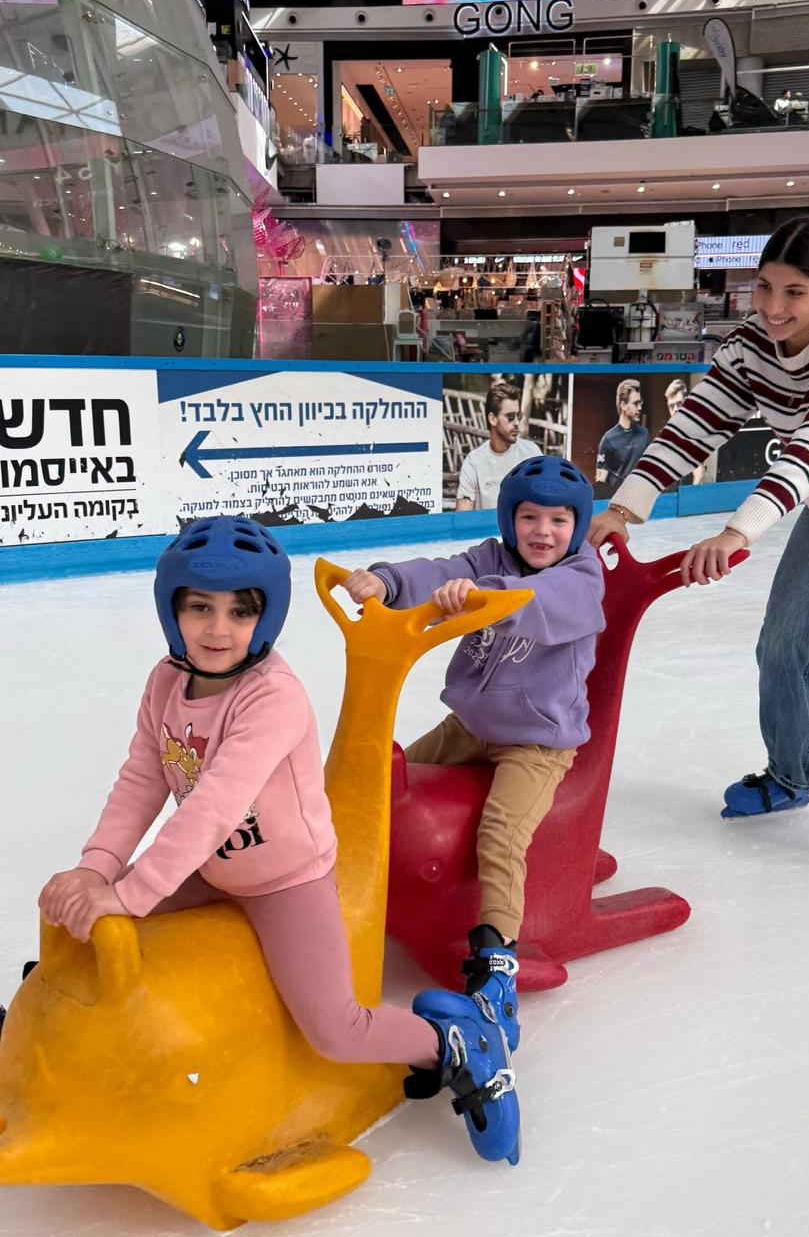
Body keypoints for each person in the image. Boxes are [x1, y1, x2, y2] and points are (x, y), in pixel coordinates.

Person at [37, 516, 520, 1165]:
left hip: (285, 879)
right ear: (170, 608)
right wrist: (98, 869)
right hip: (208, 866)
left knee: (337, 1029)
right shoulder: (165, 682)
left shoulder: (273, 697)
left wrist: (132, 891)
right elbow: (142, 778)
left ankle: (461, 1044)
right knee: (82, 922)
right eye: (199, 607)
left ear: (266, 618)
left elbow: (214, 806)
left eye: (241, 611)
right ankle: (52, 1040)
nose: (217, 628)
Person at [587, 216, 809, 818]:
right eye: (764, 287)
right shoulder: (750, 345)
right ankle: (791, 773)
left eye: (794, 292)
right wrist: (624, 507)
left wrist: (737, 531)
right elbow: (695, 424)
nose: (773, 308)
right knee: (782, 645)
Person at [343, 455, 604, 1061]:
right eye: (529, 517)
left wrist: (485, 595)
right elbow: (442, 571)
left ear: (577, 526)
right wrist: (387, 583)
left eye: (559, 520)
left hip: (537, 742)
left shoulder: (582, 576)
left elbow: (541, 600)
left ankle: (496, 970)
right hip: (470, 726)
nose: (543, 532)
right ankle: (344, 888)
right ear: (509, 520)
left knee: (500, 834)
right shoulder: (490, 558)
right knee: (384, 786)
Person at [455, 380, 541, 511]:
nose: (517, 423)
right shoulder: (474, 462)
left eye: (518, 416)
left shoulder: (531, 453)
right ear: (492, 419)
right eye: (510, 417)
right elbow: (462, 515)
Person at [595, 379, 650, 497]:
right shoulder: (608, 439)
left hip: (640, 498)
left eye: (640, 403)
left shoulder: (644, 434)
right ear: (623, 405)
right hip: (617, 499)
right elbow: (600, 482)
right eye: (636, 403)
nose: (640, 408)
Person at [665, 378, 704, 488]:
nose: (675, 409)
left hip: (685, 492)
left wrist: (691, 494)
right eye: (671, 406)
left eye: (679, 404)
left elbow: (699, 473)